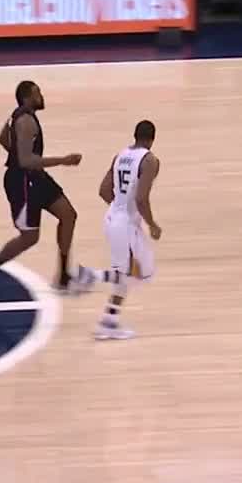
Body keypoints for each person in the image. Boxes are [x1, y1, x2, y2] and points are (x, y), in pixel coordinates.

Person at [0, 80, 92, 295]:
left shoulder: (17, 115)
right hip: (22, 182)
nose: (41, 96)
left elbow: (2, 139)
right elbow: (26, 161)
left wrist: (16, 152)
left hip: (36, 178)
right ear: (27, 97)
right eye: (37, 93)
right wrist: (63, 160)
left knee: (68, 215)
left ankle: (64, 275)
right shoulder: (26, 121)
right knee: (30, 237)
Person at [94, 120, 162, 340]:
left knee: (141, 270)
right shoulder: (149, 160)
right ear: (152, 139)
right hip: (124, 224)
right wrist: (152, 224)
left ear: (135, 136)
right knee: (129, 274)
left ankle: (109, 320)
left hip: (115, 218)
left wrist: (120, 209)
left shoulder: (120, 155)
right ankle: (106, 319)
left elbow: (103, 190)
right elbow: (141, 199)